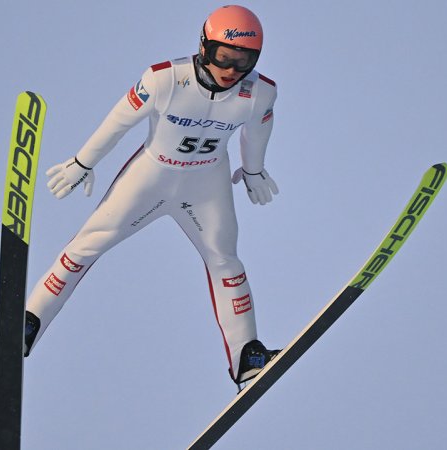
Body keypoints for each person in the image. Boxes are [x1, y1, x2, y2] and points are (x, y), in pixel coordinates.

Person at [24, 4, 279, 387]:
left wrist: (254, 169)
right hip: (151, 177)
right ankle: (28, 322)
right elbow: (118, 121)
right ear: (204, 47)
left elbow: (256, 132)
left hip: (206, 184)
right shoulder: (165, 79)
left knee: (226, 260)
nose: (231, 69)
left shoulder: (259, 92)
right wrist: (82, 162)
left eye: (244, 61)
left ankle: (247, 356)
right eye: (223, 56)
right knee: (86, 245)